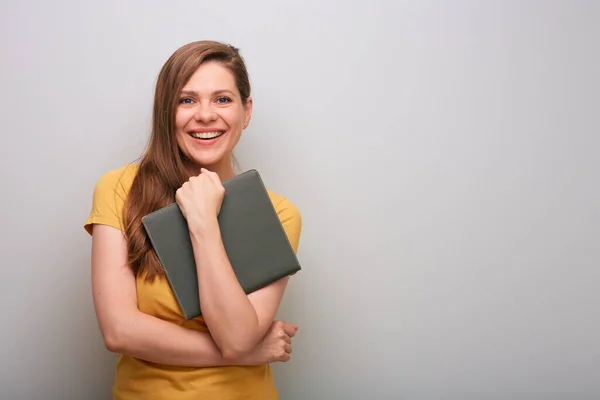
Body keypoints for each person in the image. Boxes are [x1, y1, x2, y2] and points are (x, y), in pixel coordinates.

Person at [84, 40, 302, 400]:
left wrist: (203, 221)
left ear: (246, 111)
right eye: (187, 100)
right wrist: (250, 354)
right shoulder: (121, 189)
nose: (205, 115)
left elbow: (236, 337)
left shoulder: (279, 214)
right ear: (166, 112)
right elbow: (119, 331)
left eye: (222, 99)